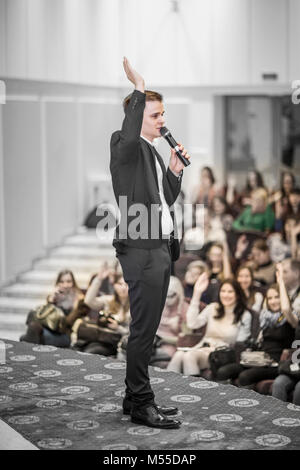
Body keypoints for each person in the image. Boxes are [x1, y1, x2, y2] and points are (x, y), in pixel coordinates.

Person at [109, 58, 190, 429]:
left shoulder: (152, 152)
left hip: (158, 247)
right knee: (143, 330)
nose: (163, 121)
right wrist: (138, 86)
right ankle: (142, 403)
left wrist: (173, 172)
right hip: (141, 251)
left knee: (146, 328)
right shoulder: (124, 145)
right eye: (156, 115)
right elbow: (128, 133)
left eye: (163, 114)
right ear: (138, 115)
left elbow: (162, 201)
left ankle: (133, 396)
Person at [167, 275, 252, 375]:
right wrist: (197, 294)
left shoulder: (245, 315)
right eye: (223, 291)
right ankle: (168, 388)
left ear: (237, 294)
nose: (225, 295)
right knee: (178, 354)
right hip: (203, 348)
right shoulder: (213, 308)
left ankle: (194, 389)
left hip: (222, 354)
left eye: (230, 292)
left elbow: (241, 344)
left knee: (189, 356)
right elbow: (192, 324)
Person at [72, 272, 130, 356]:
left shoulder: (135, 306)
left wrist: (118, 328)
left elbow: (135, 332)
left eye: (127, 284)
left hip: (117, 343)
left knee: (90, 352)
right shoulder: (109, 300)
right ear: (114, 285)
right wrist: (98, 279)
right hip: (101, 337)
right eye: (120, 284)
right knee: (79, 347)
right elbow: (88, 301)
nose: (123, 288)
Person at [21, 270, 83, 347]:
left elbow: (67, 323)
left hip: (63, 334)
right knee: (34, 326)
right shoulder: (55, 297)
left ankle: (27, 345)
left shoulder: (79, 300)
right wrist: (52, 300)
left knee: (30, 337)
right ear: (58, 283)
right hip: (49, 329)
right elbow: (44, 317)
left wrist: (74, 305)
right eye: (62, 282)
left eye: (68, 281)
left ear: (73, 283)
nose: (65, 285)